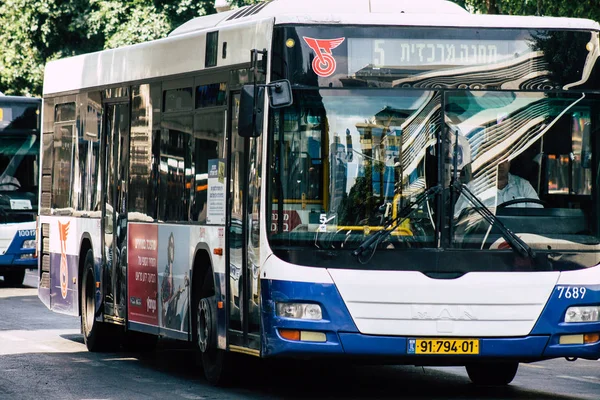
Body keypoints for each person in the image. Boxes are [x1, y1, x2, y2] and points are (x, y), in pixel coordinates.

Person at [454, 159, 542, 218]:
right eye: (496, 160)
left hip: (519, 240)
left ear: (509, 162)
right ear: (488, 163)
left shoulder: (523, 186)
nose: (501, 165)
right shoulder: (474, 187)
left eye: (504, 160)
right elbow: (458, 218)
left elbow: (538, 216)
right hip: (486, 240)